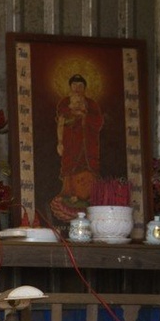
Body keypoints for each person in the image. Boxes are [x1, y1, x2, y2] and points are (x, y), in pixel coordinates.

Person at [55, 73, 105, 216]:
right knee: (70, 166)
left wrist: (85, 116)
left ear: (85, 87)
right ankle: (69, 194)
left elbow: (98, 122)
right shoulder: (65, 103)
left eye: (80, 85)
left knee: (89, 167)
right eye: (74, 85)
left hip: (88, 143)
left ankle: (89, 196)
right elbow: (61, 122)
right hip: (71, 143)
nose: (77, 88)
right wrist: (59, 142)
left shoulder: (92, 104)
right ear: (70, 87)